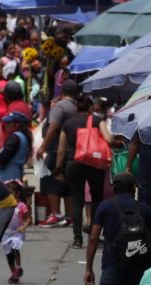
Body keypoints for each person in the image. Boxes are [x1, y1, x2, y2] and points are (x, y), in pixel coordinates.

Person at [56, 96, 111, 249]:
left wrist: (58, 167)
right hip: (94, 163)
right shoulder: (96, 120)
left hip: (74, 163)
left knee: (77, 202)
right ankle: (94, 235)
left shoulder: (68, 124)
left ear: (76, 109)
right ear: (90, 108)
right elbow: (109, 138)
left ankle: (77, 238)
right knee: (96, 200)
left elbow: (61, 150)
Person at [36, 79, 79, 228]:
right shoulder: (77, 106)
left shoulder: (60, 106)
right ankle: (70, 215)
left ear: (62, 92)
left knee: (47, 179)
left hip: (57, 149)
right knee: (68, 183)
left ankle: (55, 214)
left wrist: (42, 147)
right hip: (73, 150)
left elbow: (53, 127)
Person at [0, 179, 31, 284]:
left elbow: (28, 218)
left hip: (17, 232)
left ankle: (18, 267)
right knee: (8, 254)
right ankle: (13, 272)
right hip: (6, 233)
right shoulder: (4, 205)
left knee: (15, 248)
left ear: (17, 193)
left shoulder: (21, 206)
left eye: (10, 193)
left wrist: (24, 227)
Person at [0, 110, 31, 181]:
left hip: (8, 175)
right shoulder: (23, 136)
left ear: (17, 125)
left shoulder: (14, 137)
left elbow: (5, 155)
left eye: (9, 122)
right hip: (16, 173)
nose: (6, 124)